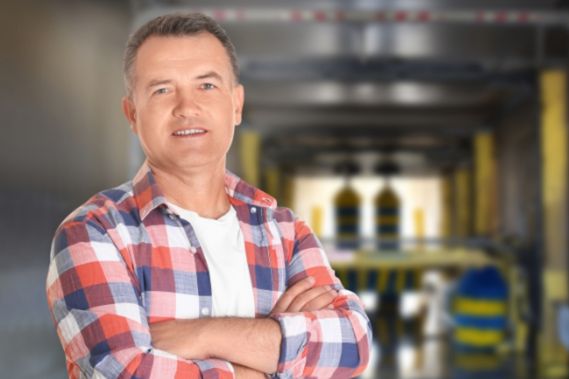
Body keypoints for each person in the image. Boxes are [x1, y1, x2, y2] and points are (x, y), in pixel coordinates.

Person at [46, 12, 372, 379]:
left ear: (236, 105)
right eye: (162, 89)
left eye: (206, 86)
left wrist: (201, 334)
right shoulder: (94, 234)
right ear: (132, 114)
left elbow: (352, 345)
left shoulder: (285, 232)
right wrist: (270, 357)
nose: (187, 108)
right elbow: (126, 372)